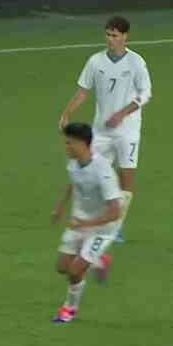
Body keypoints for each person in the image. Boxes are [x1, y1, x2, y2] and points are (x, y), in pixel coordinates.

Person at [57, 15, 152, 263]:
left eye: (115, 35)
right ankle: (90, 223)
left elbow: (145, 95)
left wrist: (121, 114)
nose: (110, 39)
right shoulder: (95, 61)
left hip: (128, 130)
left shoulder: (136, 62)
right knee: (90, 173)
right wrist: (67, 112)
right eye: (107, 35)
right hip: (100, 131)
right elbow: (82, 92)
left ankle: (114, 228)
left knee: (126, 182)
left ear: (125, 37)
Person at [50, 123, 123, 324]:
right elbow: (72, 182)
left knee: (75, 271)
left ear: (83, 144)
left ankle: (69, 309)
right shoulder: (73, 163)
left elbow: (115, 212)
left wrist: (87, 223)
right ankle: (99, 260)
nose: (66, 147)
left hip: (102, 228)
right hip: (79, 223)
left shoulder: (102, 170)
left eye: (69, 143)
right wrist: (59, 207)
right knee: (62, 267)